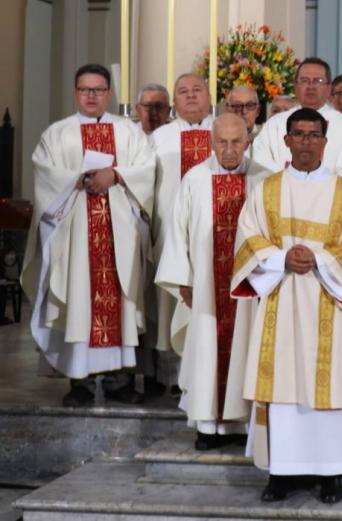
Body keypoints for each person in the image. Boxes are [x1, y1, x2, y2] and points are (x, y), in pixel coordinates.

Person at [230, 108, 342, 504]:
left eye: (314, 135)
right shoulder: (267, 190)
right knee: (283, 390)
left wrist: (322, 261)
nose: (306, 142)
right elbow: (247, 238)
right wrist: (279, 260)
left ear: (325, 142)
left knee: (330, 389)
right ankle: (282, 473)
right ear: (285, 141)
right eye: (299, 134)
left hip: (330, 303)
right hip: (282, 300)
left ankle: (332, 473)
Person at [23, 64, 156, 406]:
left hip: (119, 235)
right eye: (85, 89)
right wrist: (76, 180)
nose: (92, 96)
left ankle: (119, 380)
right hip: (75, 235)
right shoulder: (57, 134)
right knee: (79, 297)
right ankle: (79, 382)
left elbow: (146, 169)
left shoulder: (128, 132)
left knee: (119, 302)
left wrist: (116, 175)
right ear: (75, 92)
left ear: (109, 93)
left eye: (98, 90)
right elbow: (44, 174)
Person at [155, 114, 269, 450]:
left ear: (248, 141)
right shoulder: (195, 178)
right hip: (207, 289)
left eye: (237, 142)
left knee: (248, 349)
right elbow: (178, 233)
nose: (230, 149)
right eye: (222, 142)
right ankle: (208, 426)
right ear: (211, 142)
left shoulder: (263, 179)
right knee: (206, 351)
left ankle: (245, 424)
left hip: (250, 289)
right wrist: (183, 281)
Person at [148, 73, 215, 394]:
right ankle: (172, 377)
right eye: (183, 92)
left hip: (216, 238)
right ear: (174, 103)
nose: (190, 96)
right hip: (169, 236)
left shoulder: (226, 133)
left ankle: (210, 372)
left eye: (197, 90)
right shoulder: (159, 138)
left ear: (210, 97)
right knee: (168, 302)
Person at [252, 59, 342, 187]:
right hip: (283, 197)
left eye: (318, 81)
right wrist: (291, 184)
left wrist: (321, 187)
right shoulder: (275, 124)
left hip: (329, 199)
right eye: (304, 80)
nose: (310, 86)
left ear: (329, 87)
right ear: (295, 86)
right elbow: (261, 161)